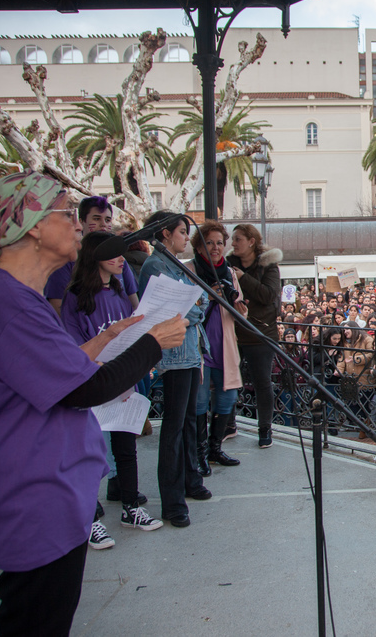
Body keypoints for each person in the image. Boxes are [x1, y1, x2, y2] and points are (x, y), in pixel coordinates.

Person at [0, 172, 186, 636]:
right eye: (65, 212)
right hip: (30, 496)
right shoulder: (5, 302)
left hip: (43, 490)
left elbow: (58, 370)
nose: (79, 225)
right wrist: (154, 342)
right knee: (37, 622)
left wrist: (107, 337)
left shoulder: (14, 297)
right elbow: (83, 389)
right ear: (32, 224)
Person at [61, 231, 164, 542]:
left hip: (122, 381)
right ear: (95, 257)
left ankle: (130, 507)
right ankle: (89, 517)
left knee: (125, 447)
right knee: (90, 451)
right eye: (114, 254)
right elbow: (72, 345)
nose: (122, 259)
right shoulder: (74, 299)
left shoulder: (120, 291)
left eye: (123, 253)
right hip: (89, 384)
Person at [138, 211, 212, 528]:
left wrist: (195, 307)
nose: (186, 238)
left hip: (189, 352)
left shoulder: (177, 265)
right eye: (182, 232)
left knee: (187, 422)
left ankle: (188, 482)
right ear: (166, 234)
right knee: (173, 427)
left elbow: (203, 301)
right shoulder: (156, 265)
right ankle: (172, 501)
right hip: (174, 356)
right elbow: (178, 311)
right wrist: (194, 307)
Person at [191, 221, 245, 471]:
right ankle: (199, 454)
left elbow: (242, 310)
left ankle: (215, 450)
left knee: (226, 400)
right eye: (209, 242)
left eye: (220, 243)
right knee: (200, 404)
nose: (215, 247)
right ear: (199, 245)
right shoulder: (189, 269)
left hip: (225, 347)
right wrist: (208, 296)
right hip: (199, 348)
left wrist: (235, 304)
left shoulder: (230, 273)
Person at [227, 224, 282, 448]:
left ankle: (265, 429)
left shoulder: (269, 266)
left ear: (251, 241)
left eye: (237, 239)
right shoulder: (228, 264)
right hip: (233, 332)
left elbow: (268, 295)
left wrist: (242, 278)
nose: (233, 243)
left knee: (262, 383)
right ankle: (228, 424)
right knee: (229, 381)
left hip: (261, 334)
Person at [45, 196, 139, 316]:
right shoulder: (66, 260)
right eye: (96, 218)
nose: (103, 225)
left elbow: (134, 304)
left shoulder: (121, 261)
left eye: (108, 220)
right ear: (81, 221)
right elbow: (58, 307)